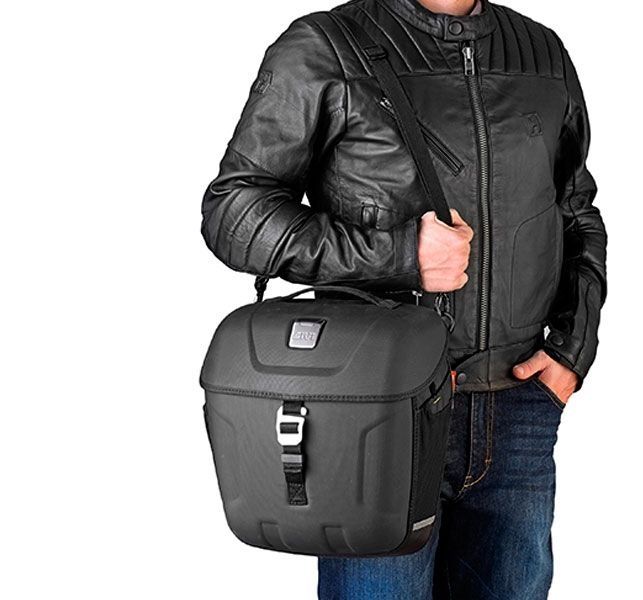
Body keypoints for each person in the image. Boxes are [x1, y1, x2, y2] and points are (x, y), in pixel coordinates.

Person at [201, 0, 607, 597]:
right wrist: (400, 255)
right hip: (379, 413)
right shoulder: (325, 46)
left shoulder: (540, 52)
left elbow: (575, 209)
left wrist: (573, 348)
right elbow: (234, 213)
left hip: (518, 408)